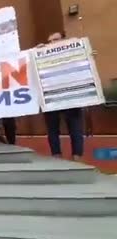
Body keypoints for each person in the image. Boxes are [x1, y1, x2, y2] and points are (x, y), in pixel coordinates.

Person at [43, 31, 84, 161]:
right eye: (50, 41)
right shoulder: (42, 55)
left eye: (55, 40)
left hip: (71, 96)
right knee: (52, 128)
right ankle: (56, 155)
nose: (51, 43)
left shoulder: (74, 52)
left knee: (75, 127)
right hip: (51, 97)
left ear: (63, 40)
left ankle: (77, 156)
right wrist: (36, 52)